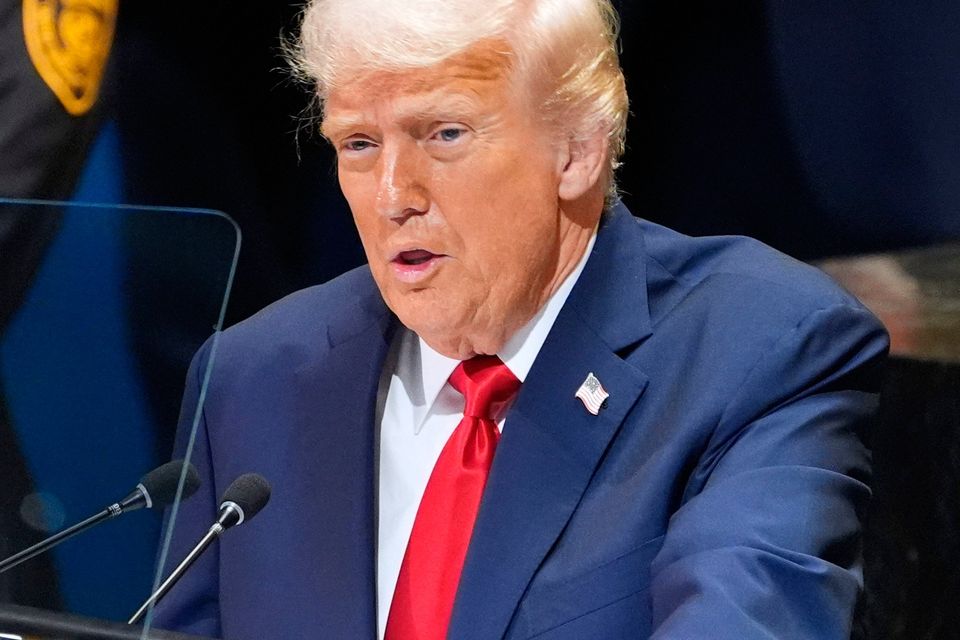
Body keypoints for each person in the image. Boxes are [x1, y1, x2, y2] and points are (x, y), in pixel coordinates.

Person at [152, 0, 889, 638]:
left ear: (577, 149)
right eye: (359, 144)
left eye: (444, 134)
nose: (391, 196)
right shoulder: (255, 379)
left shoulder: (757, 352)